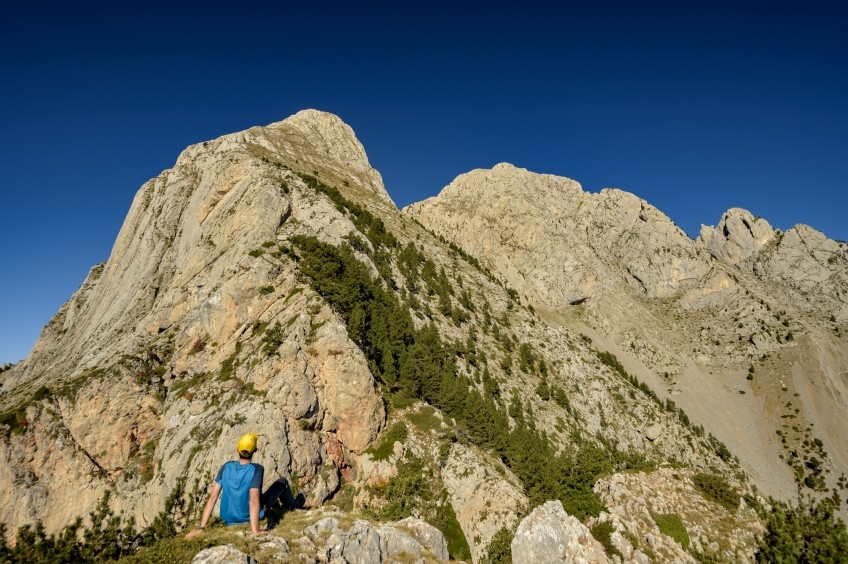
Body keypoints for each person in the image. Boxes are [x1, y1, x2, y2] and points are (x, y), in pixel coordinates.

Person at [185, 433, 285, 538]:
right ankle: (293, 506)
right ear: (255, 450)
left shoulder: (226, 467)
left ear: (237, 449)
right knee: (282, 482)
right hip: (247, 518)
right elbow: (253, 500)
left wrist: (201, 528)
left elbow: (213, 497)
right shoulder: (257, 469)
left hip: (227, 520)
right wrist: (255, 530)